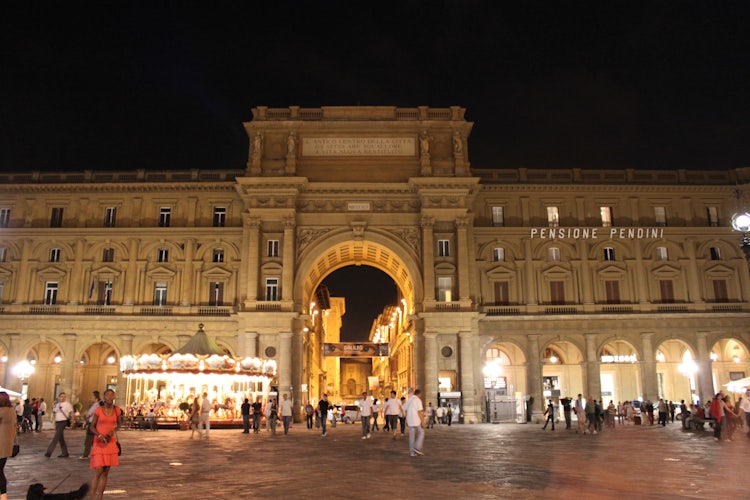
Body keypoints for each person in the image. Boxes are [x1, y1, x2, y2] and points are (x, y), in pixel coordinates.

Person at [89, 389, 121, 500]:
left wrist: (113, 430)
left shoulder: (117, 410)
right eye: (108, 395)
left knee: (106, 472)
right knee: (98, 470)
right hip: (99, 442)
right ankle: (92, 497)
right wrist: (99, 435)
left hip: (110, 442)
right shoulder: (99, 410)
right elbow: (91, 426)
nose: (110, 397)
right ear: (104, 397)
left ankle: (100, 496)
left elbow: (119, 424)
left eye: (112, 395)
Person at [45, 392, 73, 458]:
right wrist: (54, 421)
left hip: (63, 422)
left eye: (64, 396)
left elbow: (71, 412)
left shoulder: (67, 404)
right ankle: (65, 453)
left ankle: (49, 452)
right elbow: (55, 412)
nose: (63, 398)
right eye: (61, 396)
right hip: (58, 422)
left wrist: (72, 421)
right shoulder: (57, 404)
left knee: (56, 437)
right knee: (60, 438)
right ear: (59, 397)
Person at [0, 392, 17, 500]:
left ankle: (3, 494)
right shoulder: (12, 411)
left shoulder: (1, 411)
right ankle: (3, 494)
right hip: (7, 444)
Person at [80, 390, 101, 459]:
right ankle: (96, 453)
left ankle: (86, 454)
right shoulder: (97, 405)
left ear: (96, 398)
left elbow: (89, 414)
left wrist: (85, 416)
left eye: (92, 396)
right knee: (93, 440)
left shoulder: (95, 406)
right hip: (95, 424)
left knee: (88, 440)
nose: (91, 398)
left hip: (92, 424)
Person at [403, 388, 425, 457]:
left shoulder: (409, 399)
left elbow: (405, 410)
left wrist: (406, 420)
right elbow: (420, 412)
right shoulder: (418, 400)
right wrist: (422, 422)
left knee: (411, 436)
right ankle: (417, 447)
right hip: (416, 420)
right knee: (421, 433)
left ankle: (412, 452)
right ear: (419, 394)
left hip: (409, 420)